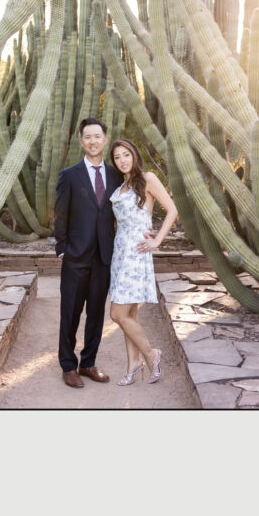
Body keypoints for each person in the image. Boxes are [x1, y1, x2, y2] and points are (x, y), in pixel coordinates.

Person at [53, 118, 122, 388]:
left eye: (97, 136)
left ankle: (88, 363)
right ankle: (68, 365)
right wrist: (62, 249)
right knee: (70, 313)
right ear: (81, 142)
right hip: (75, 257)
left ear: (105, 140)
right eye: (88, 137)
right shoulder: (69, 175)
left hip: (104, 258)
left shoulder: (117, 175)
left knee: (96, 314)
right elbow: (60, 214)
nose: (93, 141)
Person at [107, 139, 178, 386]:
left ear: (134, 155)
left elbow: (172, 210)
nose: (123, 160)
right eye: (117, 157)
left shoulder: (147, 178)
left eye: (126, 154)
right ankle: (133, 364)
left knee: (117, 313)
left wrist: (157, 238)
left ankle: (150, 354)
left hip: (136, 252)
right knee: (129, 312)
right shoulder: (122, 185)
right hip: (120, 252)